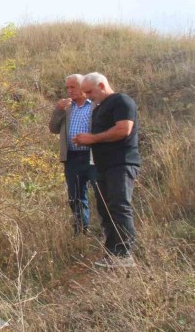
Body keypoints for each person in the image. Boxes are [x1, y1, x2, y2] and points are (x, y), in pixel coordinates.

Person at [73, 72, 141, 268]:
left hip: (121, 163)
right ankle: (112, 253)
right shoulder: (98, 109)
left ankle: (124, 254)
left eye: (89, 91)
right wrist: (87, 139)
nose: (87, 96)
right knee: (106, 209)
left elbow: (123, 130)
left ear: (102, 85)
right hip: (103, 166)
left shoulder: (122, 101)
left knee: (119, 206)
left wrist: (92, 138)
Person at [48, 74, 97, 235]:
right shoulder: (66, 107)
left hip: (94, 156)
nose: (69, 91)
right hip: (72, 157)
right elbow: (53, 128)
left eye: (73, 87)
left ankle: (108, 231)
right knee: (75, 196)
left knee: (102, 193)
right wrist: (58, 110)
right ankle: (81, 231)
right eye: (67, 87)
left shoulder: (95, 105)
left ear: (83, 87)